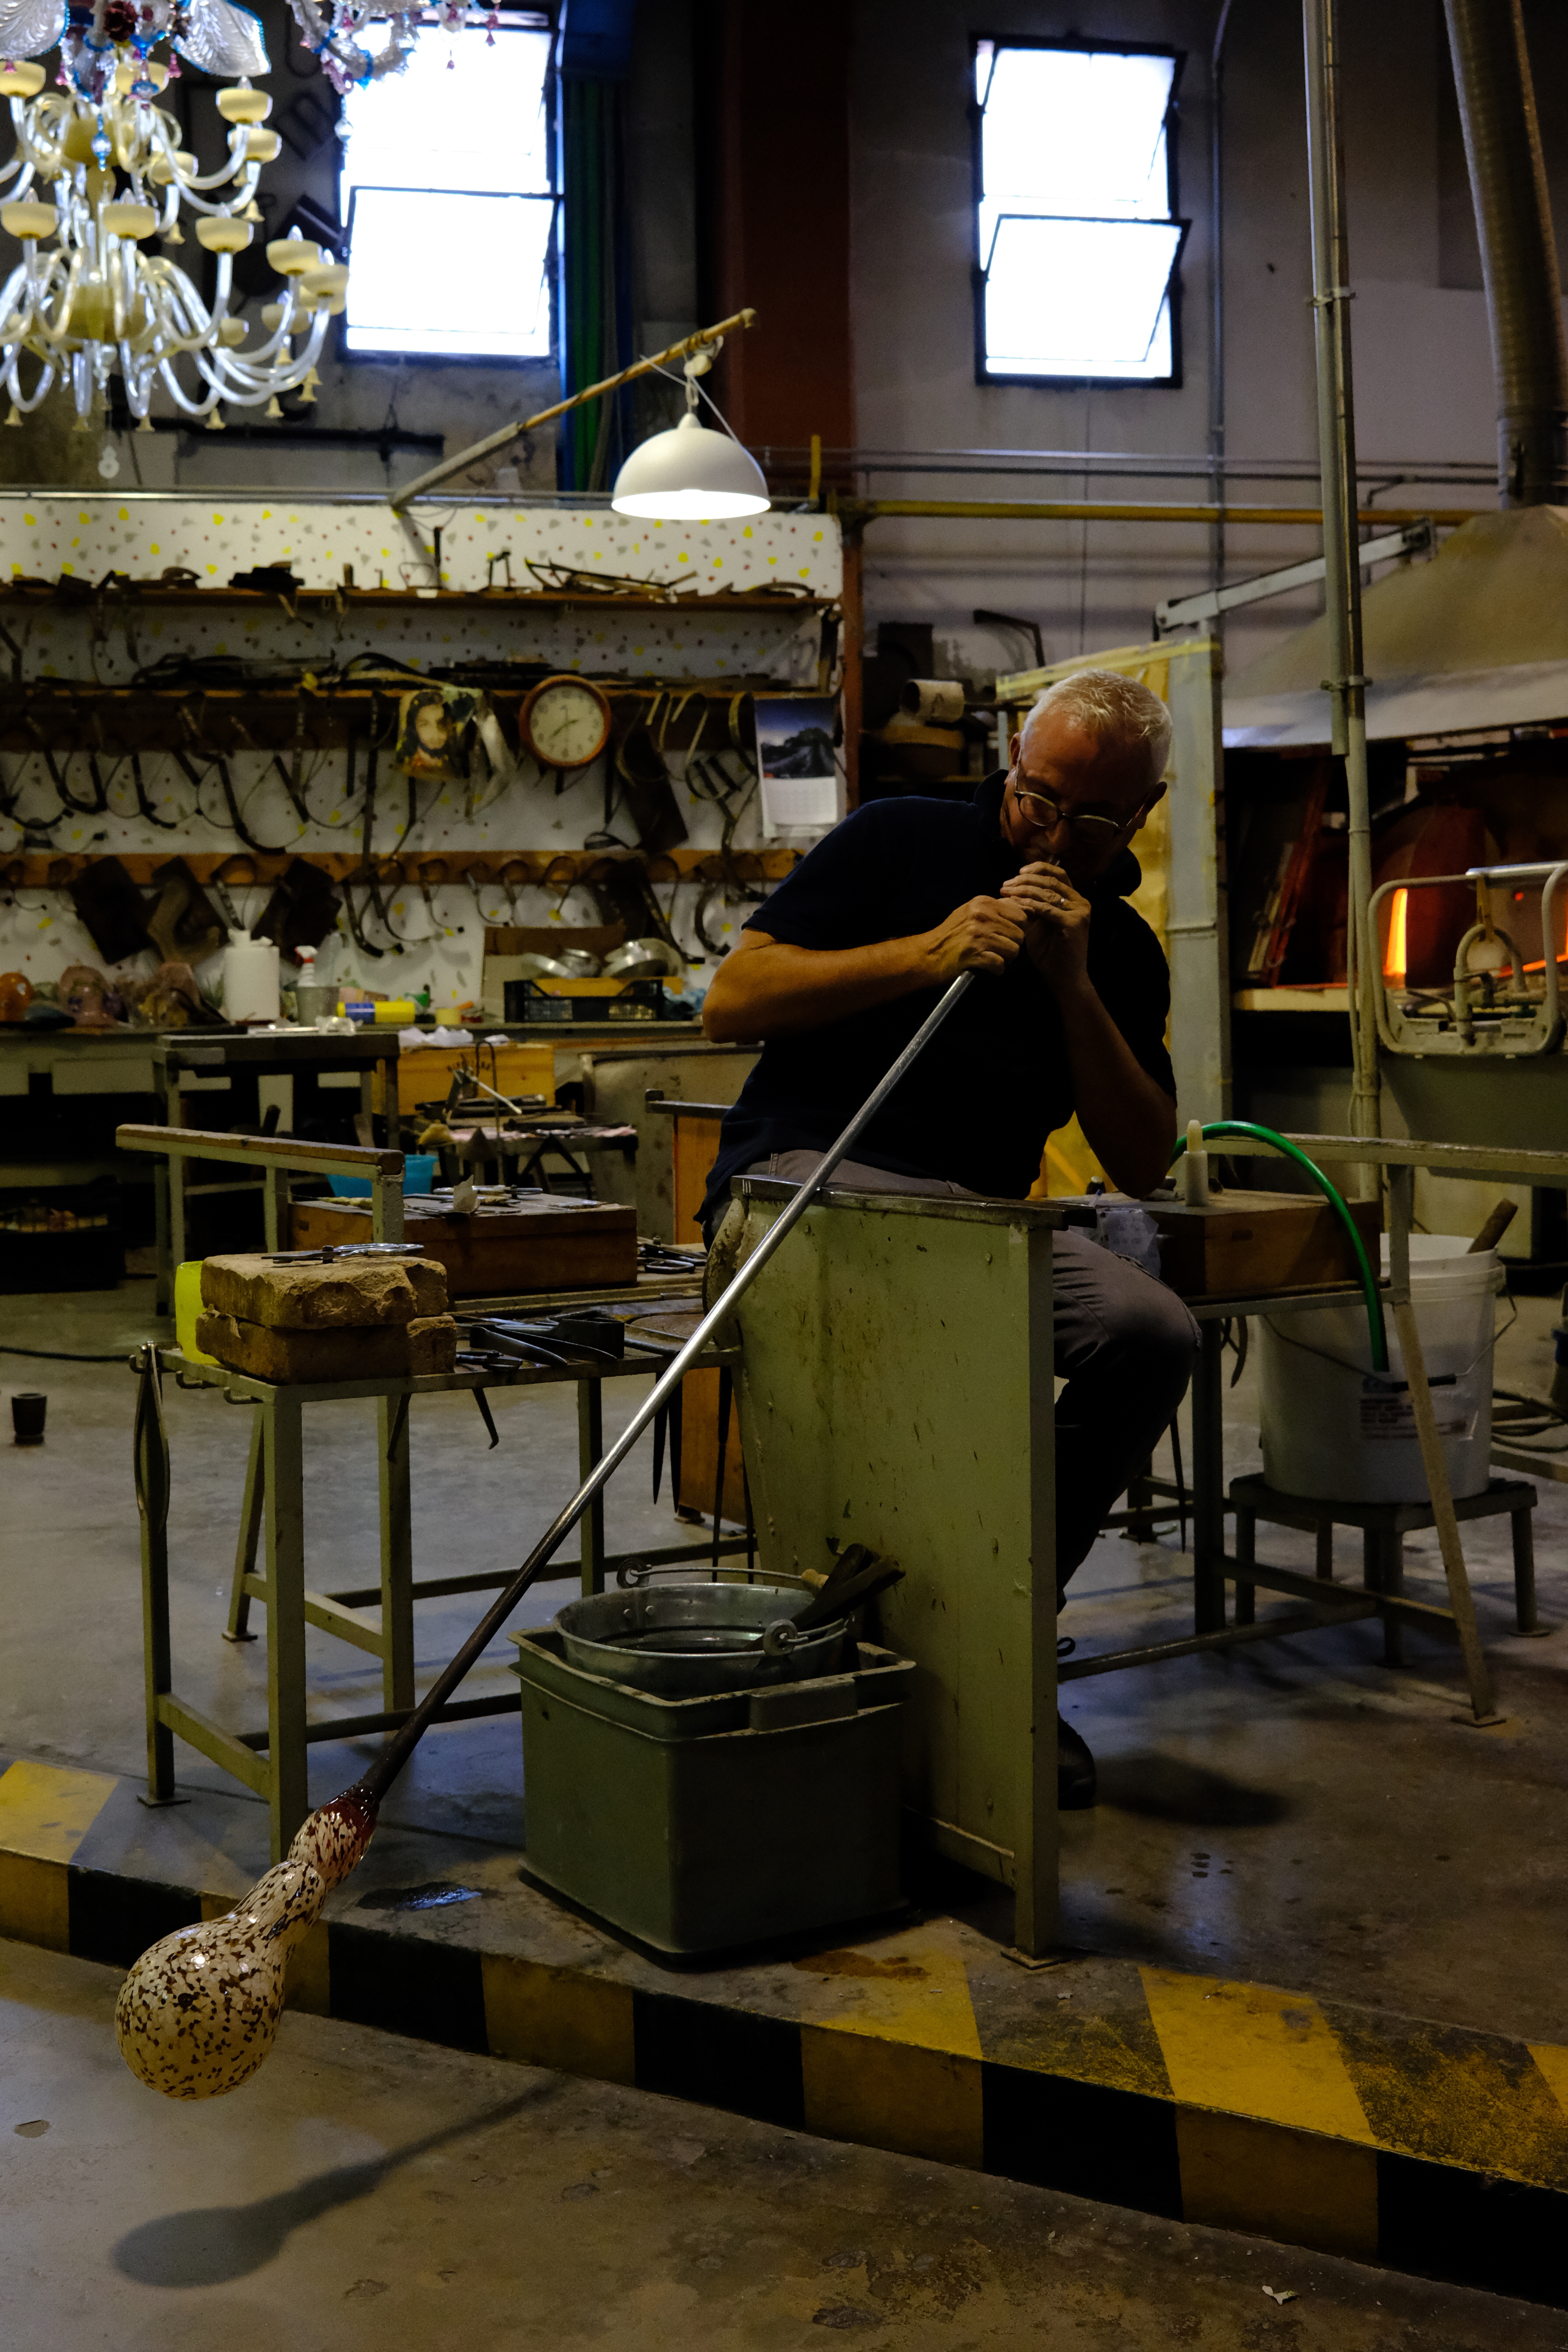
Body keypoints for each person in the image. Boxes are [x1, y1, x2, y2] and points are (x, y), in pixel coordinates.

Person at [700, 666, 1201, 1808]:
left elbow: (1143, 1157)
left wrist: (1072, 989)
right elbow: (731, 999)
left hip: (973, 1228)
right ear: (1010, 763)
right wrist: (928, 952)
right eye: (1036, 798)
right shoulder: (898, 841)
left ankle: (1005, 1630)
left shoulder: (1116, 945)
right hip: (803, 1179)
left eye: (1090, 819)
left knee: (1148, 1329)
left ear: (1142, 816)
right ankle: (865, 1660)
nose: (1051, 831)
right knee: (934, 1364)